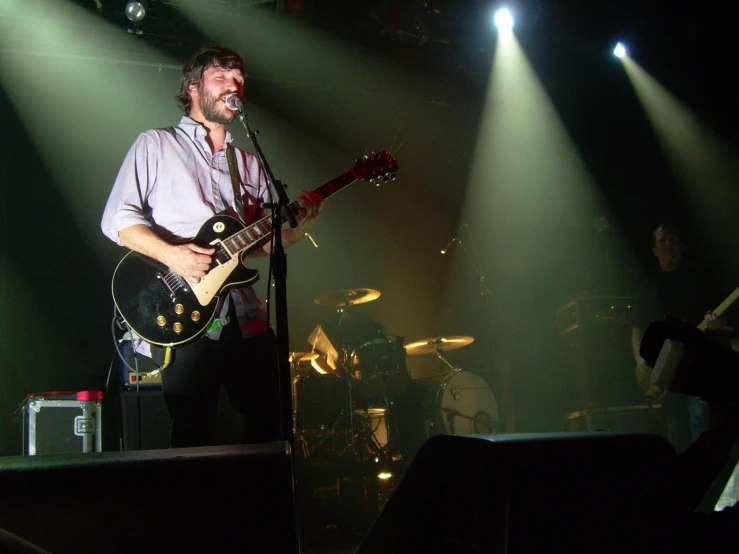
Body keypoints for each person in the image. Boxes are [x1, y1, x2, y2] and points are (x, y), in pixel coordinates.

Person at [101, 45, 324, 447]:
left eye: (238, 78)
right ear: (192, 87)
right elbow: (117, 220)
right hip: (180, 308)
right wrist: (174, 255)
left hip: (243, 312)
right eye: (221, 77)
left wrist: (296, 230)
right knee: (193, 430)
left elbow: (254, 243)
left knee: (272, 423)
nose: (233, 85)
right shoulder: (156, 144)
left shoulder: (248, 163)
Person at [632, 223, 728, 452]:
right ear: (654, 250)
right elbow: (637, 329)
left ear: (682, 248)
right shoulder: (648, 288)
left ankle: (704, 474)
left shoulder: (700, 278)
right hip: (666, 372)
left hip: (697, 364)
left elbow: (722, 318)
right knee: (675, 424)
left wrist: (718, 323)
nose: (668, 245)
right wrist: (639, 359)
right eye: (662, 241)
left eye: (673, 241)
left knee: (700, 417)